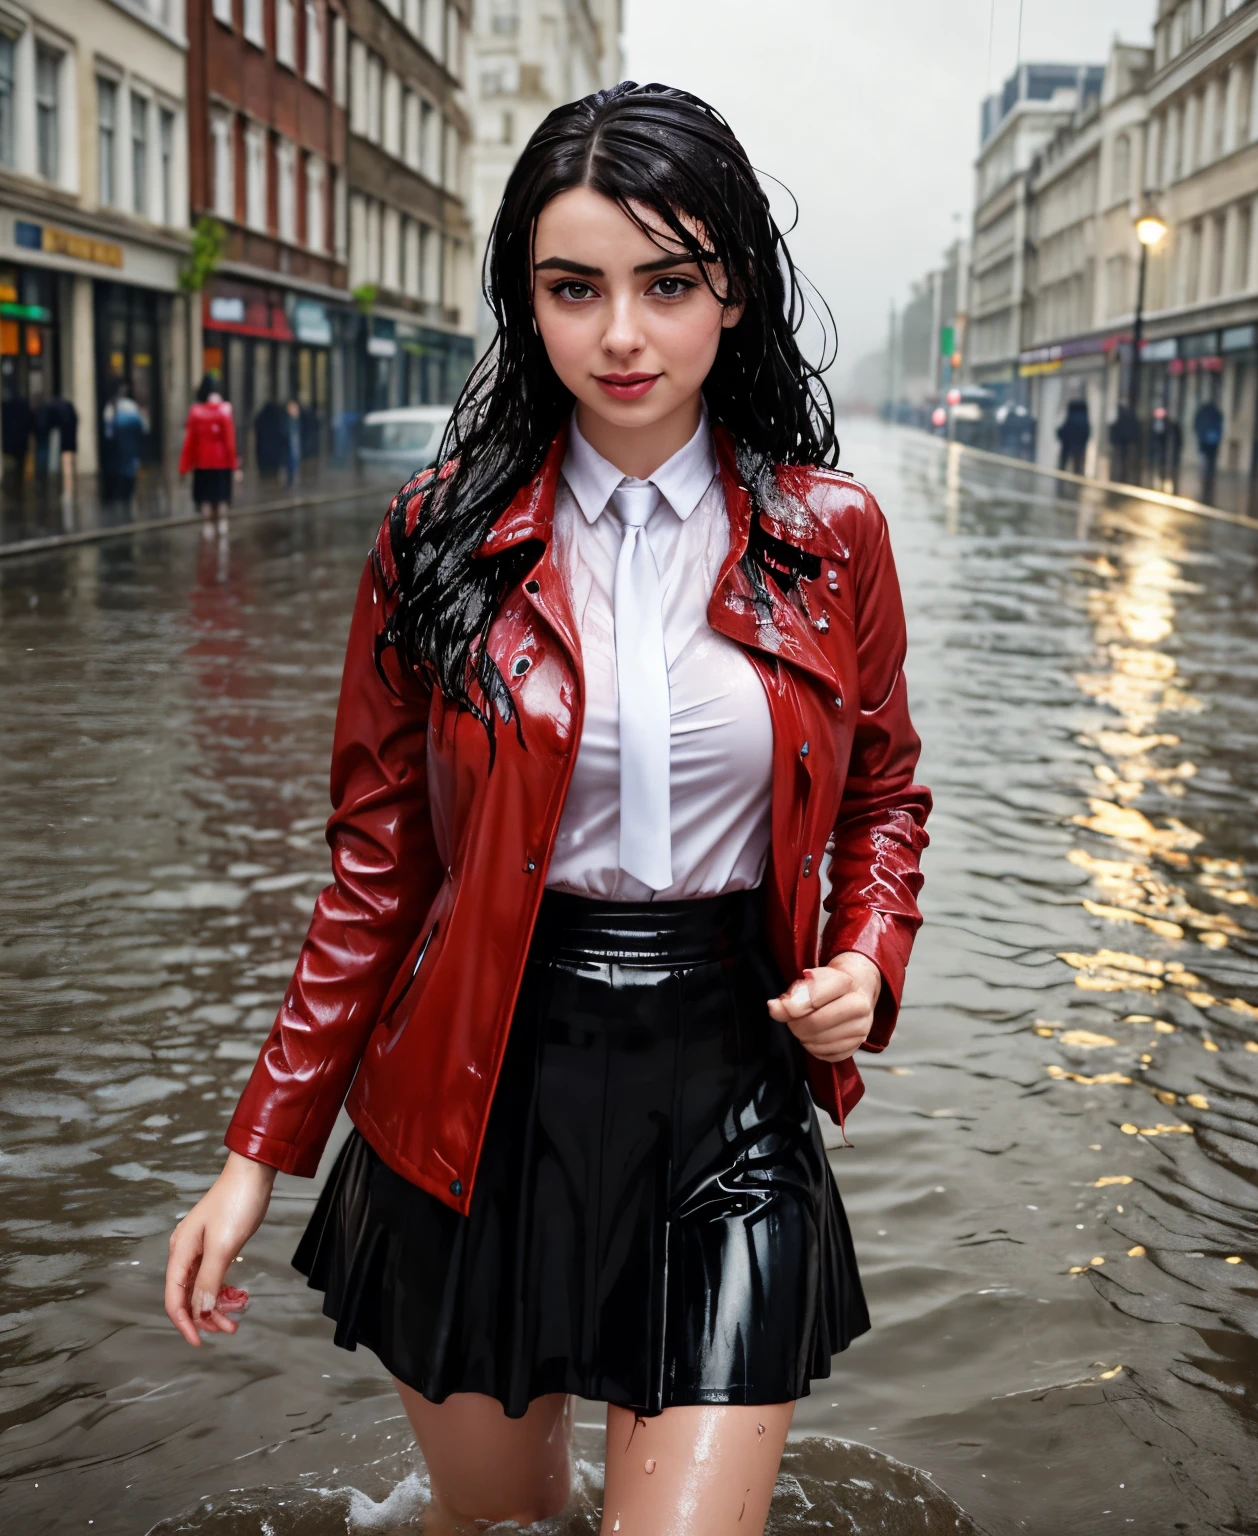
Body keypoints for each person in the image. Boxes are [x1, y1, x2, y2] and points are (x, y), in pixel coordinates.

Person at [162, 83, 931, 1535]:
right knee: (502, 1526)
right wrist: (257, 1151)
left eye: (669, 283)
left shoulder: (836, 536)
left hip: (728, 1090)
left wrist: (866, 957)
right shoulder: (439, 532)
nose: (622, 335)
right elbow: (378, 871)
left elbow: (883, 791)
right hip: (476, 1090)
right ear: (529, 301)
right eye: (575, 288)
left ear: (734, 295)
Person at [179, 376, 240, 533]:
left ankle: (207, 526)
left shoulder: (195, 412)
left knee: (205, 497)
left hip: (202, 462)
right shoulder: (225, 411)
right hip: (222, 462)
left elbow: (189, 442)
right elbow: (230, 442)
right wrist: (235, 466)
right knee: (221, 496)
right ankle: (222, 523)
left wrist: (184, 467)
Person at [102, 380, 146, 508]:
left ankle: (121, 495)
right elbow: (142, 427)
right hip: (130, 443)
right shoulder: (131, 407)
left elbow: (108, 428)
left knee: (120, 467)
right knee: (129, 468)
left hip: (119, 443)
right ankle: (127, 494)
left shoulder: (113, 406)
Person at [1193, 396, 1223, 504]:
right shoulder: (1216, 414)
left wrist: (1199, 435)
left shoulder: (1202, 413)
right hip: (1212, 443)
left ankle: (1205, 477)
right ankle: (1208, 477)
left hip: (1204, 442)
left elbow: (1196, 425)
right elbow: (1220, 427)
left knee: (1204, 460)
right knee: (1210, 460)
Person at [1056, 397, 1091, 475]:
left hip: (1067, 445)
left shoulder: (1071, 416)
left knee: (1062, 467)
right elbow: (1087, 434)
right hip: (1079, 447)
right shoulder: (1084, 418)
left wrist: (1061, 436)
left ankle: (1060, 483)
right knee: (1077, 467)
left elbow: (1063, 432)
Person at [1109, 401, 1140, 484]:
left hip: (1121, 442)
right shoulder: (1130, 417)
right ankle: (1122, 477)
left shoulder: (1120, 416)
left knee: (1120, 459)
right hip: (1125, 441)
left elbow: (1114, 429)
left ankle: (1119, 477)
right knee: (1123, 459)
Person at [284, 397, 304, 487]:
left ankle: (293, 479)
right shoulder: (287, 420)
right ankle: (290, 480)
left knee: (296, 460)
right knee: (290, 462)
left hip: (295, 443)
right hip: (289, 445)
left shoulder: (298, 419)